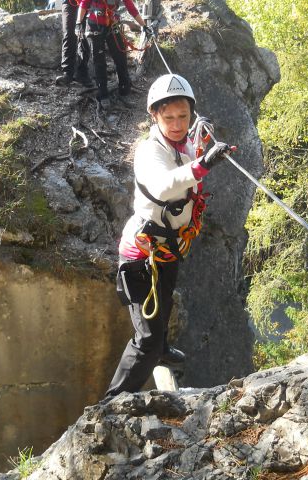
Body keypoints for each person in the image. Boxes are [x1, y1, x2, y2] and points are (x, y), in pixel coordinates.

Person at [104, 74, 235, 398]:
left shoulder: (183, 141)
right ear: (154, 117)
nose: (177, 124)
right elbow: (164, 185)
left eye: (183, 117)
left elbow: (193, 140)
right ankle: (113, 402)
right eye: (168, 118)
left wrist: (201, 132)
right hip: (140, 257)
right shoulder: (150, 152)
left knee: (162, 309)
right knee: (145, 339)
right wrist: (203, 165)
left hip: (167, 249)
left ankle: (162, 348)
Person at [76, 0, 152, 109]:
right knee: (99, 62)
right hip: (94, 25)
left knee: (121, 58)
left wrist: (144, 26)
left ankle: (124, 91)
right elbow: (84, 3)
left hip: (112, 25)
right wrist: (78, 23)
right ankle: (103, 94)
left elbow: (131, 8)